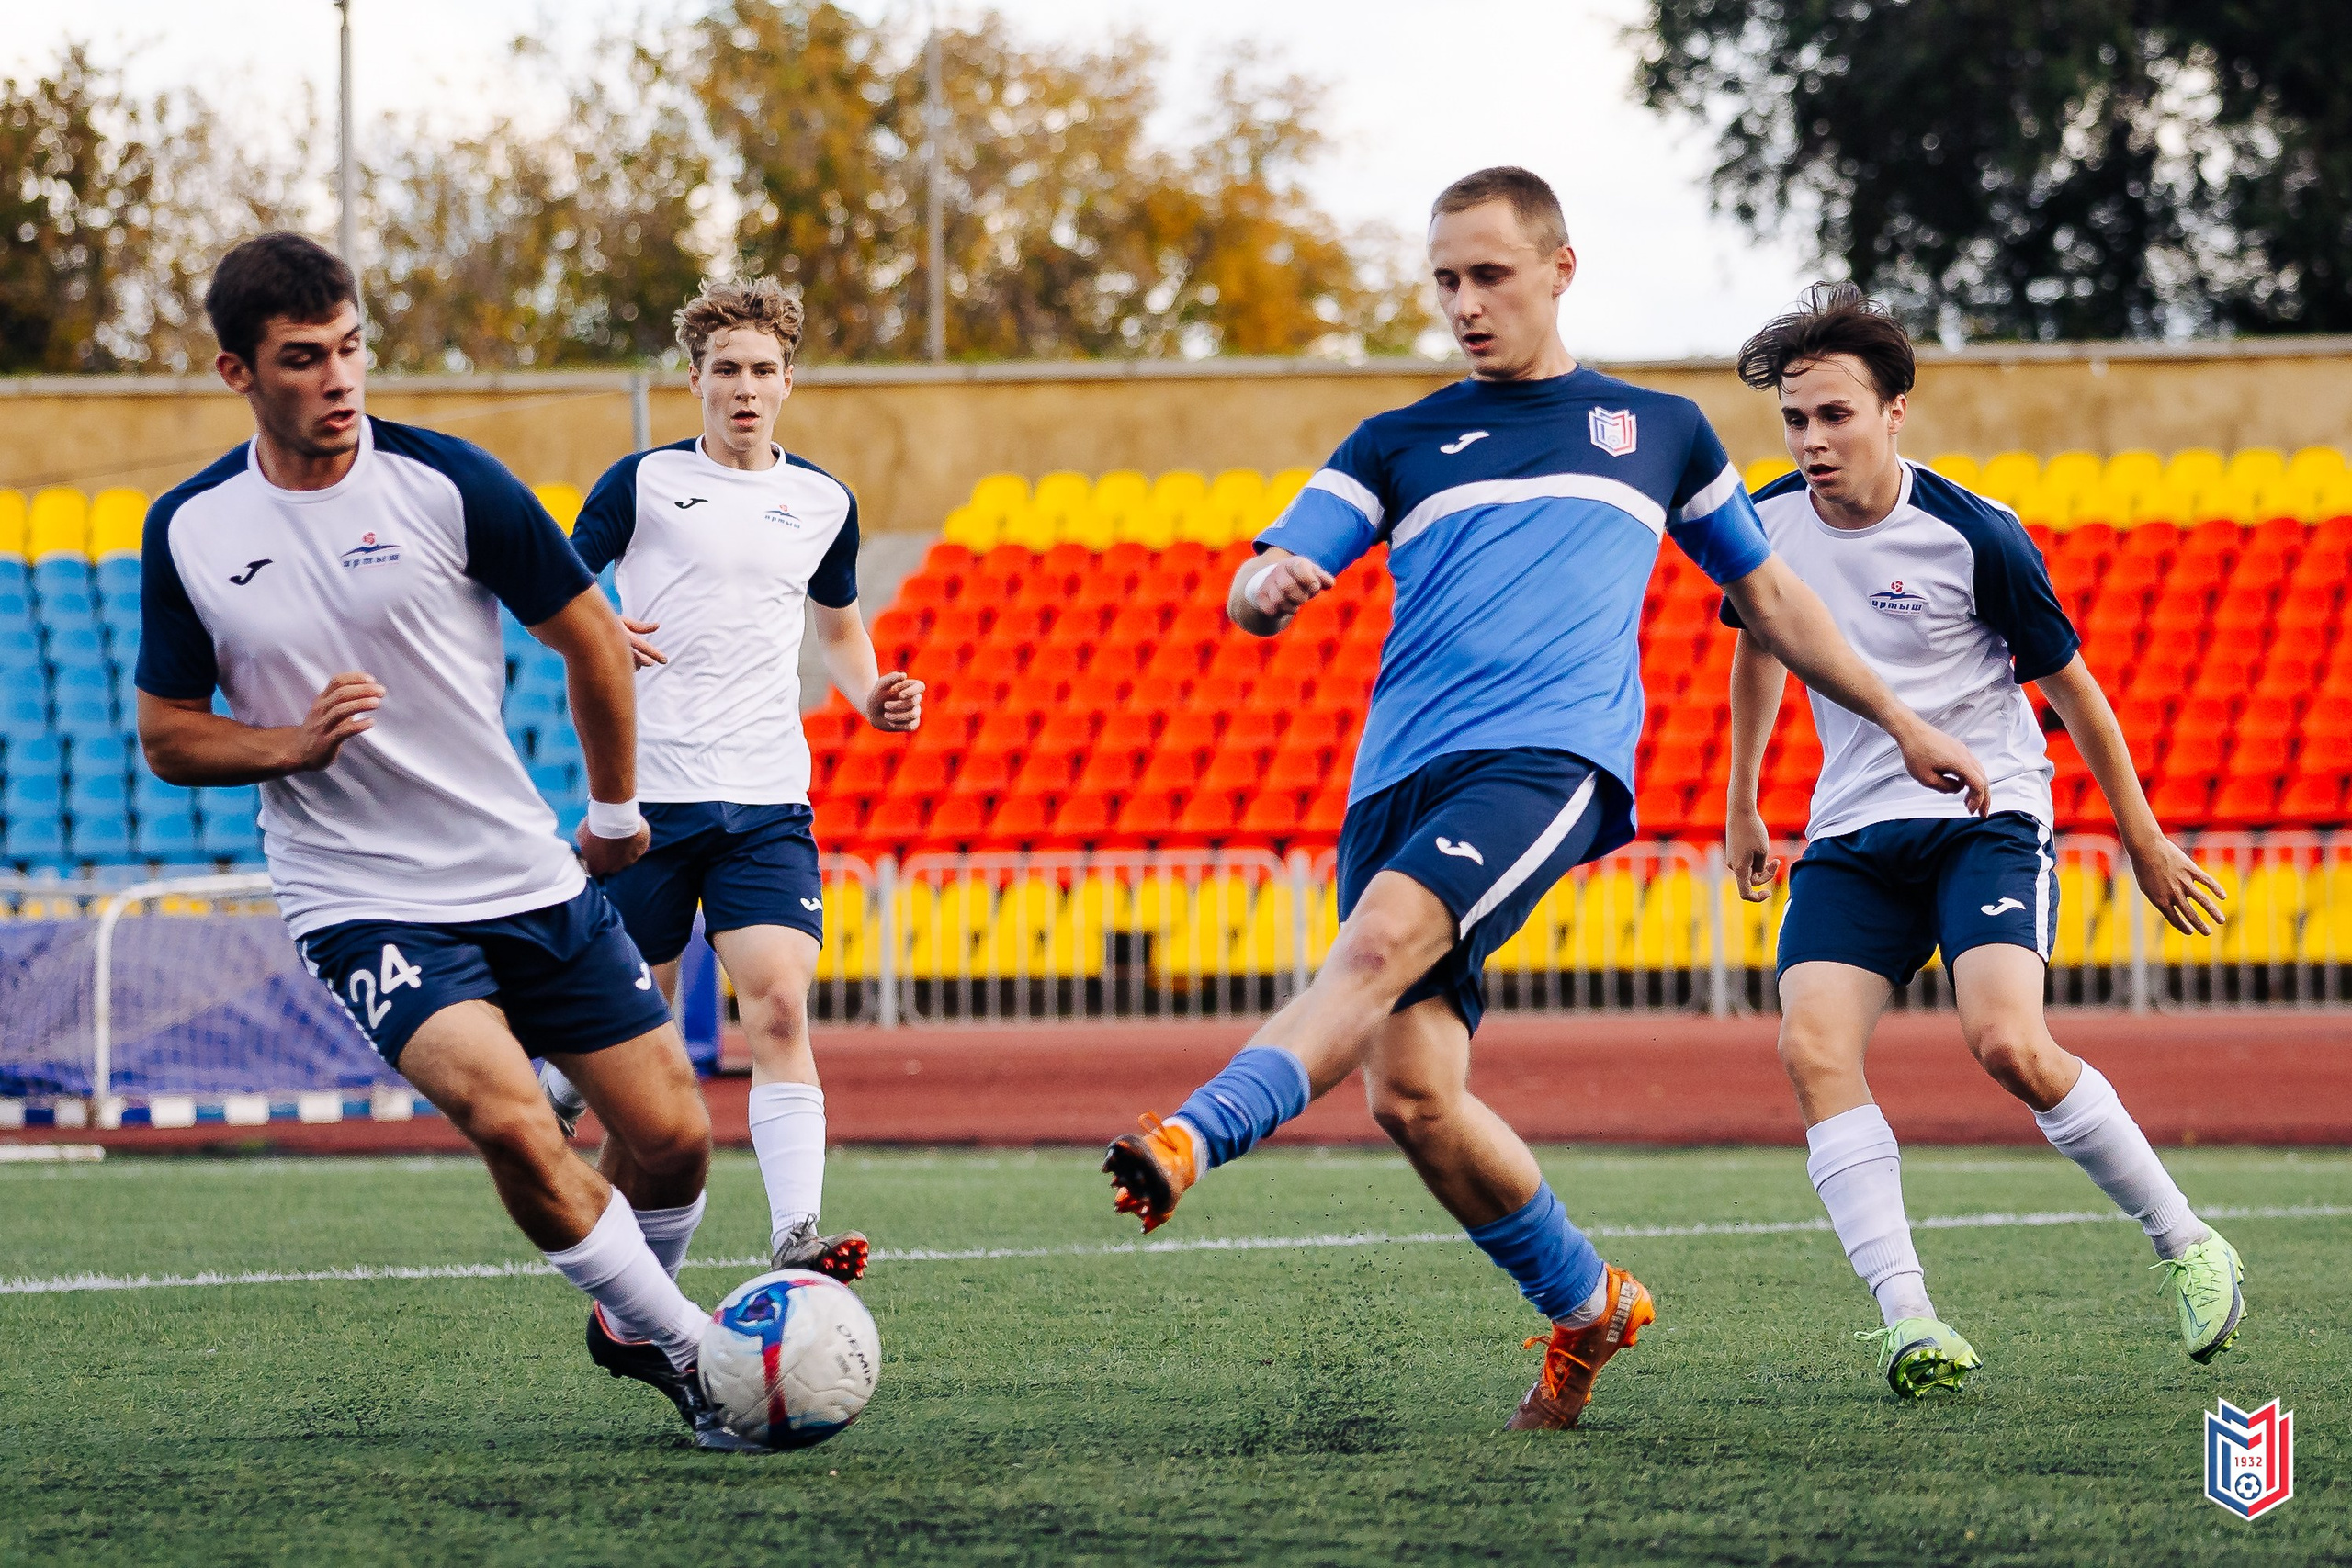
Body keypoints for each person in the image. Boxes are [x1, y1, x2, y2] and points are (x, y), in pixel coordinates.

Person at [1101, 169, 1992, 1431]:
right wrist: (1269, 587)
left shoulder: (1659, 428)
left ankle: (1196, 1130)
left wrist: (1901, 719)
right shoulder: (1398, 439)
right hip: (1399, 775)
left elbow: (1778, 597)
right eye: (1446, 280)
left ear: (1559, 269)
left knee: (1377, 943)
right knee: (1412, 1094)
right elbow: (1272, 566)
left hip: (1552, 760)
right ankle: (1588, 1303)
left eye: (1490, 275)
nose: (1465, 303)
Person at [135, 232, 752, 1450]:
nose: (340, 378)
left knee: (675, 1134)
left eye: (353, 347)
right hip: (359, 893)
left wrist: (617, 813)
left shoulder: (448, 481)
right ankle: (693, 1347)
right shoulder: (193, 529)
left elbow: (593, 637)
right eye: (304, 359)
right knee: (516, 1119)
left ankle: (630, 1322)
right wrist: (289, 747)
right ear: (235, 373)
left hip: (520, 866)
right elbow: (167, 734)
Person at [1723, 282, 2242, 1397]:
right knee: (1812, 1051)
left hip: (1984, 816)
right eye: (1796, 420)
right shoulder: (1763, 523)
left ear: (1895, 410)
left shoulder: (1975, 533)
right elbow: (1758, 644)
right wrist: (1743, 799)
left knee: (2007, 1044)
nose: (1813, 440)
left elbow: (2076, 693)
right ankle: (1909, 1321)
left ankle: (2189, 1242)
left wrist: (2142, 839)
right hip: (1854, 831)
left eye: (1835, 415)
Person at [549, 276, 922, 1281]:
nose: (744, 388)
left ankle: (795, 1229)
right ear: (696, 381)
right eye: (726, 371)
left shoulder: (822, 500)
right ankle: (575, 1114)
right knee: (634, 1035)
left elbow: (839, 629)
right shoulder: (641, 483)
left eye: (762, 370)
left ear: (788, 381)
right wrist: (597, 625)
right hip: (649, 800)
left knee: (780, 1011)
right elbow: (561, 584)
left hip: (765, 801)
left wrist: (873, 692)